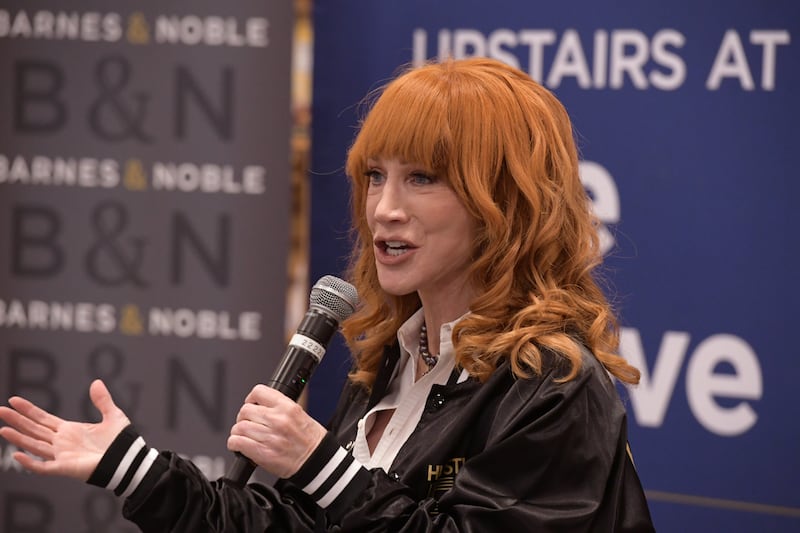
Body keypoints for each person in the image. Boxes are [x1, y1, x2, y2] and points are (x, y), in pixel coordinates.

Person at [0, 57, 655, 532]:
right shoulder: (396, 361)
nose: (384, 209)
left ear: (503, 202)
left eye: (422, 178)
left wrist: (322, 464)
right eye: (375, 176)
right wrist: (133, 467)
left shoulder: (554, 384)